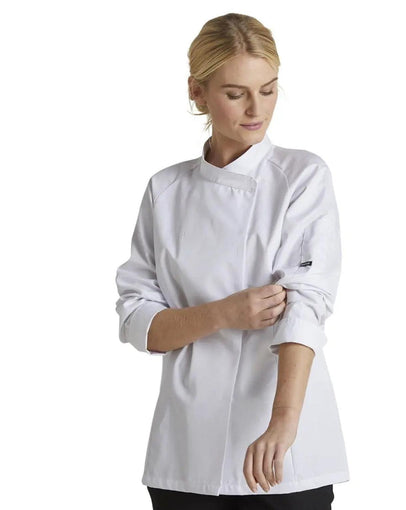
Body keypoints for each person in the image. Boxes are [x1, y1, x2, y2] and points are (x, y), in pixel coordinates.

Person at [115, 12, 349, 510]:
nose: (256, 109)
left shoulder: (301, 176)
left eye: (268, 90)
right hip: (187, 452)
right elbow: (139, 324)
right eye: (236, 93)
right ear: (197, 92)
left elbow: (306, 306)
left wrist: (283, 422)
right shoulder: (165, 190)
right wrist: (225, 313)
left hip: (284, 455)